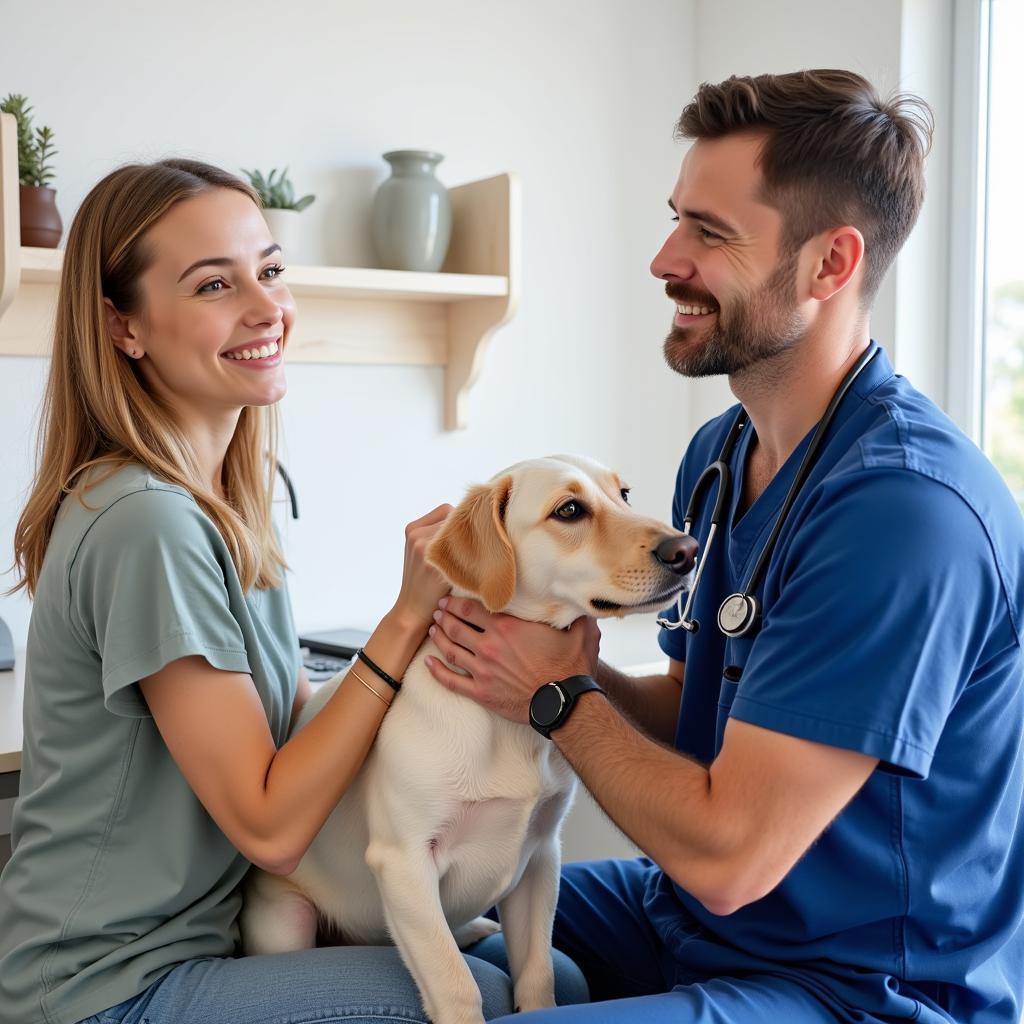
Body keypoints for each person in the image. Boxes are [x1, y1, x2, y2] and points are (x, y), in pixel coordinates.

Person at [428, 69, 1024, 1023]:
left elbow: (732, 854)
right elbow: (692, 708)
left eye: (710, 233)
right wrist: (558, 659)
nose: (665, 258)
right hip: (685, 915)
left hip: (854, 987)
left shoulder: (906, 515)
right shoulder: (721, 455)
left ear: (831, 265)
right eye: (677, 220)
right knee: (389, 918)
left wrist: (552, 697)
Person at [0, 158, 587, 1024]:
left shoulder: (227, 508)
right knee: (494, 998)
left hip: (212, 938)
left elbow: (288, 724)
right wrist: (404, 619)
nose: (265, 306)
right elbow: (272, 827)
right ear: (124, 326)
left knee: (562, 983)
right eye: (213, 284)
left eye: (269, 270)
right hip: (105, 989)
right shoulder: (146, 524)